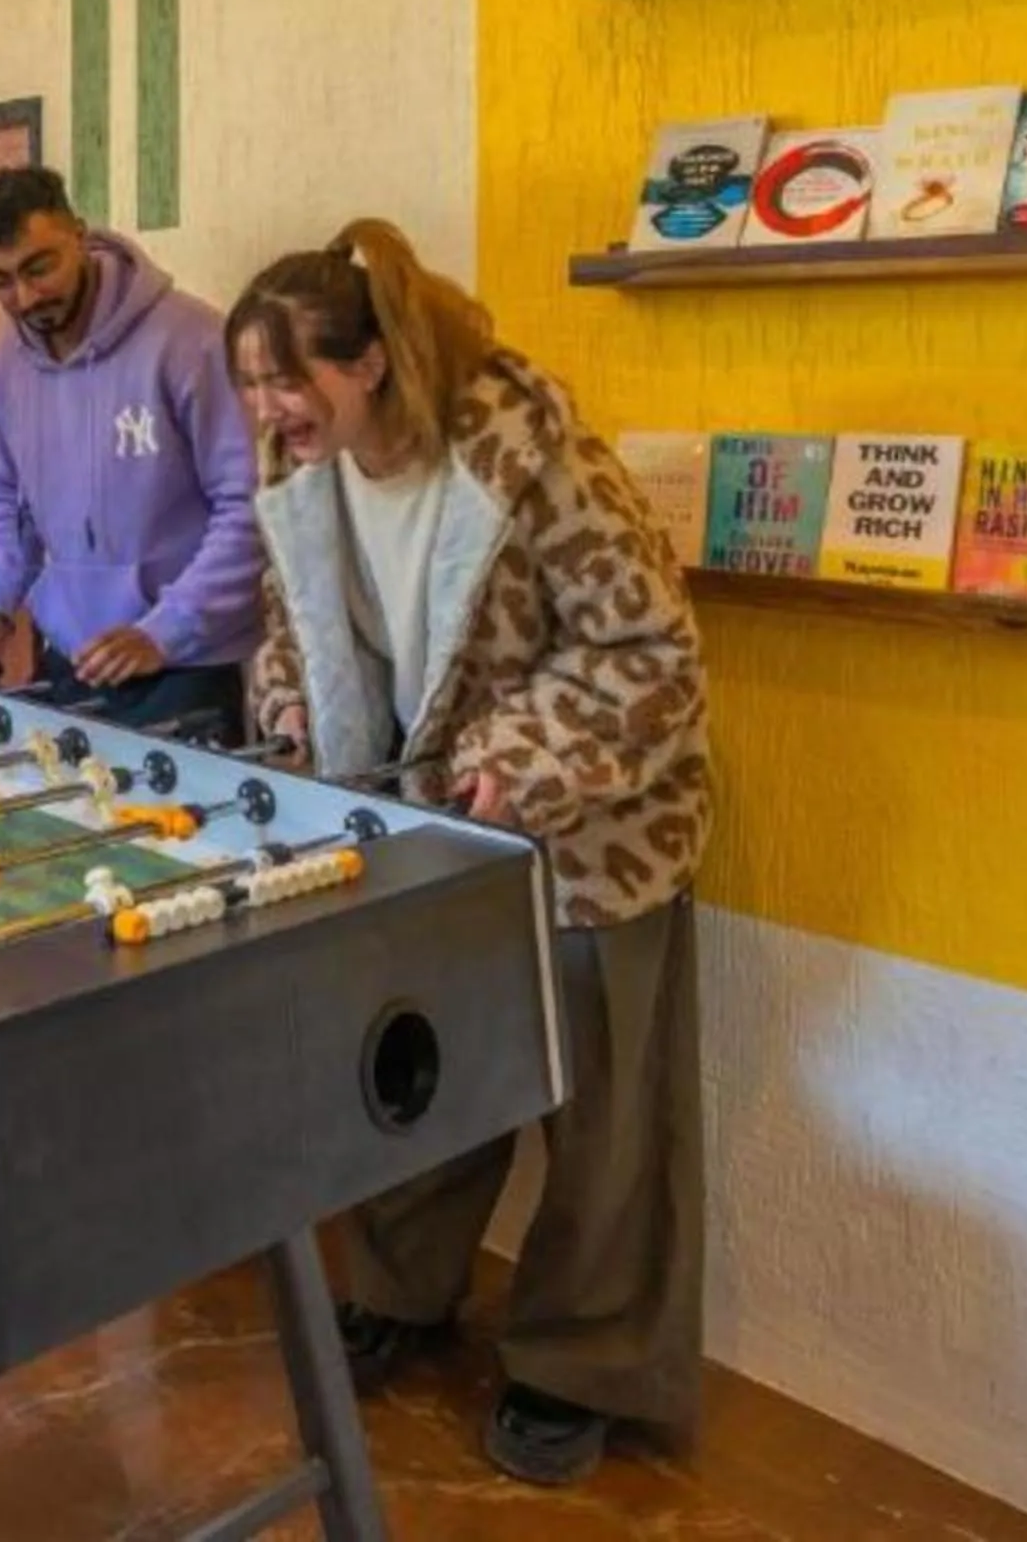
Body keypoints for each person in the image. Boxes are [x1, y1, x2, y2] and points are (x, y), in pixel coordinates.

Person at [226, 218, 709, 1488]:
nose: (268, 413)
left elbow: (650, 651)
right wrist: (285, 711)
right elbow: (295, 634)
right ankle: (402, 1293)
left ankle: (579, 1367)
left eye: (287, 382)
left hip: (596, 836)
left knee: (602, 1119)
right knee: (416, 1073)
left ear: (371, 362)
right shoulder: (302, 472)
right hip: (419, 832)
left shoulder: (529, 455)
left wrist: (526, 759)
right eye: (252, 387)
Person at [0, 164, 263, 737]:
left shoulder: (190, 341)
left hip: (186, 663)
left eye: (40, 267)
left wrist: (165, 630)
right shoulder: (5, 366)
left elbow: (249, 506)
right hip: (69, 660)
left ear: (80, 234)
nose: (25, 297)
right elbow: (6, 496)